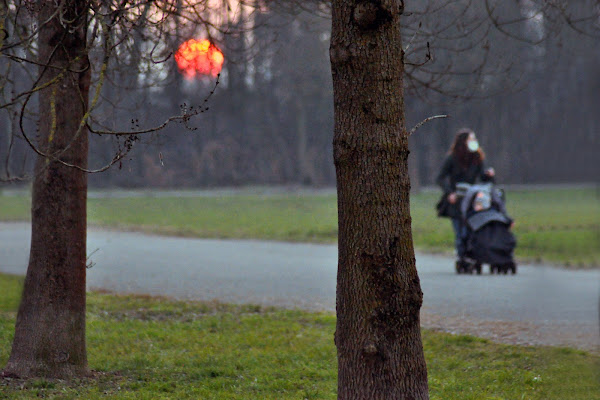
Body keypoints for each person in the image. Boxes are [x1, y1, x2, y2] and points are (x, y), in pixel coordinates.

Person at [436, 128, 495, 262]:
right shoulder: (452, 158)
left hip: (471, 199)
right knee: (459, 231)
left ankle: (470, 254)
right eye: (471, 139)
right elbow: (440, 178)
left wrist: (489, 175)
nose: (474, 142)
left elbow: (482, 178)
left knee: (469, 229)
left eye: (474, 139)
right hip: (456, 199)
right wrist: (449, 193)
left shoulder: (477, 158)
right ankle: (461, 256)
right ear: (463, 142)